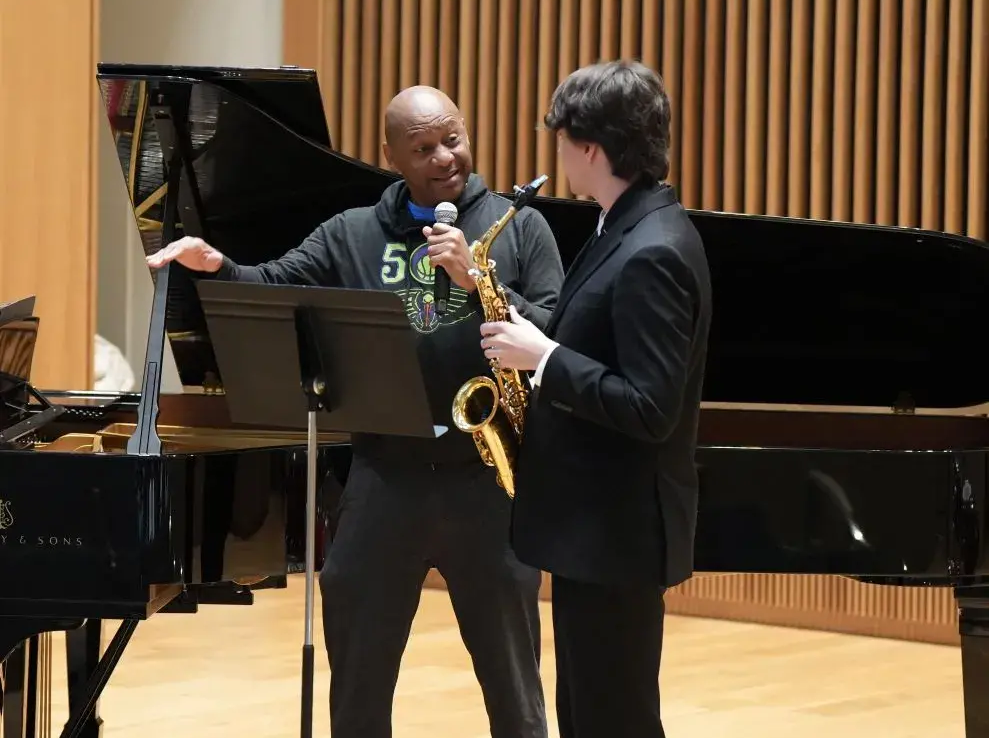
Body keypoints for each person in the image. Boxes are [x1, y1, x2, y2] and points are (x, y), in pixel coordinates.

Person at [146, 85, 564, 738]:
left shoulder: (519, 226)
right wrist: (218, 264)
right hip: (383, 475)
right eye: (422, 148)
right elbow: (275, 284)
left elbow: (555, 334)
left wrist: (478, 283)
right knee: (359, 685)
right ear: (390, 155)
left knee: (515, 690)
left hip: (487, 478)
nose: (443, 157)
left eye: (451, 138)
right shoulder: (352, 233)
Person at [478, 60, 712, 738]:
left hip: (617, 534)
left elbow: (648, 405)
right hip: (592, 531)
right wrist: (519, 320)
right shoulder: (622, 225)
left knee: (617, 717)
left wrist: (542, 358)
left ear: (589, 148)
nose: (557, 158)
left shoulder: (652, 251)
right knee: (585, 714)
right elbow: (593, 332)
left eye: (560, 143)